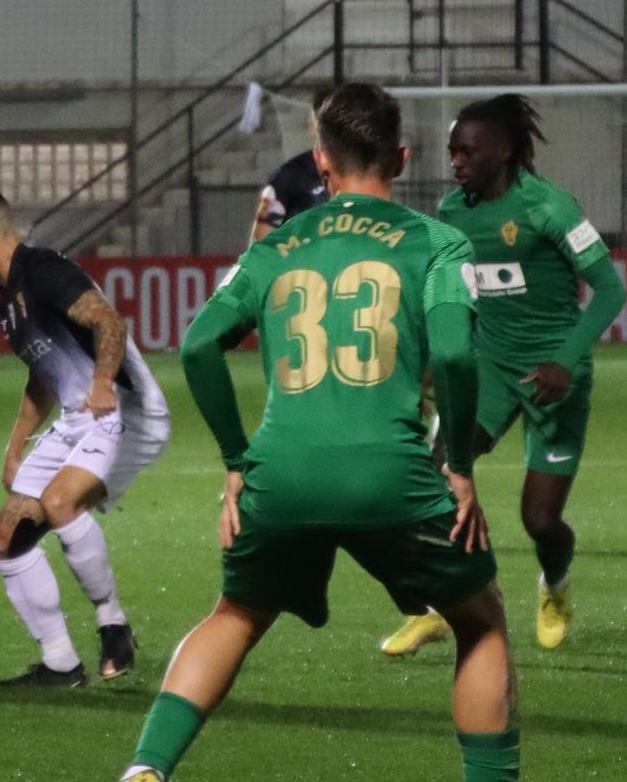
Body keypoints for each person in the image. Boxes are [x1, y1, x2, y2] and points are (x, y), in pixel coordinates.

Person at [118, 83, 519, 781]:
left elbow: (197, 344)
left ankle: (148, 769)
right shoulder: (438, 243)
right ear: (401, 156)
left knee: (236, 615)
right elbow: (455, 355)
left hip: (281, 474)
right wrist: (458, 465)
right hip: (390, 474)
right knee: (480, 619)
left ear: (320, 161)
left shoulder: (277, 246)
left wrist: (236, 461)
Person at [381, 95, 627, 655]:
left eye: (468, 150)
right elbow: (440, 293)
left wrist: (565, 359)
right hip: (486, 369)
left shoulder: (549, 209)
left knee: (540, 521)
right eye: (452, 152)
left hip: (553, 375)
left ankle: (555, 586)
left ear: (505, 149)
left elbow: (611, 291)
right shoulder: (453, 212)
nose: (456, 161)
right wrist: (426, 362)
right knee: (433, 475)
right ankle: (437, 606)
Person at [0, 185, 170, 687]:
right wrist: (15, 445)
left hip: (126, 410)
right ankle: (60, 664)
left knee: (61, 501)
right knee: (6, 537)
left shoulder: (44, 270)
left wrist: (104, 383)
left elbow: (107, 320)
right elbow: (43, 374)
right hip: (77, 417)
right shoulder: (9, 302)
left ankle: (113, 625)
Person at [247, 88, 334, 244]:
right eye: (326, 122)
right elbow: (260, 244)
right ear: (311, 126)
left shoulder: (366, 173)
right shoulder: (288, 177)